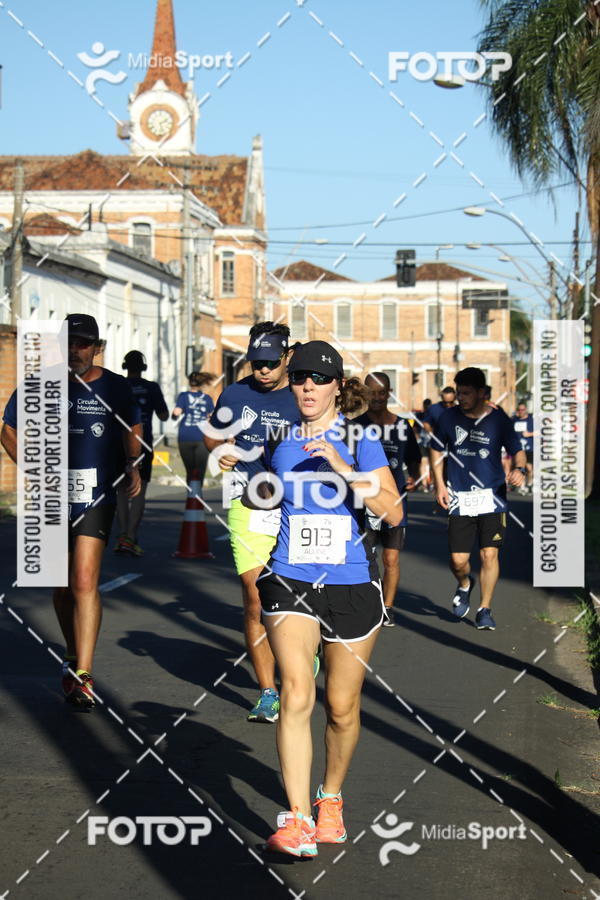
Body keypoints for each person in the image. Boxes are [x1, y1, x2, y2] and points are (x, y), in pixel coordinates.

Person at [256, 341, 401, 856]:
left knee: (341, 707)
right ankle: (297, 820)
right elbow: (264, 495)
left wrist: (343, 466)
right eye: (299, 377)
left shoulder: (362, 440)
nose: (308, 386)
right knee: (297, 693)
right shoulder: (279, 438)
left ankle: (330, 797)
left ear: (338, 386)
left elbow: (394, 512)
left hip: (351, 582)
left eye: (319, 378)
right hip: (290, 578)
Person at [1, 314, 142, 708]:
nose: (76, 350)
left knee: (83, 580)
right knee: (62, 589)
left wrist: (133, 464)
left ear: (96, 348)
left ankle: (84, 673)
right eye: (69, 342)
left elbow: (133, 427)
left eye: (83, 344)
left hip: (96, 496)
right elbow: (8, 429)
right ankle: (71, 651)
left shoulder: (115, 387)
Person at [204, 322, 299, 723]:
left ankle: (305, 649)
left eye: (270, 363)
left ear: (287, 357)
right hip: (248, 501)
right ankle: (267, 691)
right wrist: (221, 449)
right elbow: (212, 435)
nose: (262, 370)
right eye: (256, 362)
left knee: (297, 592)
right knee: (255, 595)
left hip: (297, 504)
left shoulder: (303, 393)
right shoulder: (235, 393)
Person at [429, 366, 526, 631]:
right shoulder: (448, 418)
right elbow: (435, 450)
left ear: (482, 392)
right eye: (458, 392)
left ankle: (485, 609)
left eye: (466, 393)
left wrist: (520, 469)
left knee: (489, 554)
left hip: (492, 497)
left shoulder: (498, 419)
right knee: (458, 560)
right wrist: (439, 485)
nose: (460, 398)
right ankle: (465, 583)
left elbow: (517, 450)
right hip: (460, 497)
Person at [354, 372, 421, 626]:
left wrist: (414, 476)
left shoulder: (402, 426)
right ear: (365, 394)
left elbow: (414, 459)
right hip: (363, 504)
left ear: (389, 393)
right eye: (372, 393)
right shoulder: (355, 426)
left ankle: (388, 607)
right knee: (363, 558)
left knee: (390, 559)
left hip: (394, 502)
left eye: (382, 393)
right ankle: (366, 603)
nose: (377, 398)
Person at [115, 350, 169, 556]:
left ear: (125, 366)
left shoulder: (118, 385)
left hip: (119, 442)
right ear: (143, 367)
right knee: (139, 490)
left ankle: (122, 535)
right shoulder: (151, 387)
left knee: (121, 490)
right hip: (143, 442)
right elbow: (163, 416)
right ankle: (131, 536)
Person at [172, 371, 215, 486]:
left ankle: (190, 493)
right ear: (202, 383)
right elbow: (212, 417)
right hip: (202, 438)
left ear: (189, 382)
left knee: (190, 470)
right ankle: (197, 493)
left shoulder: (183, 396)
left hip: (185, 436)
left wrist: (174, 416)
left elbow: (176, 413)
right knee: (200, 470)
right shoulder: (207, 398)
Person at [511, 401, 536, 491]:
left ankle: (529, 483)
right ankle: (521, 485)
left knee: (529, 468)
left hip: (529, 448)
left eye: (523, 409)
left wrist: (529, 434)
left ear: (526, 410)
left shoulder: (531, 420)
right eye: (519, 410)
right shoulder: (514, 420)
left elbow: (541, 431)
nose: (521, 411)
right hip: (517, 448)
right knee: (520, 467)